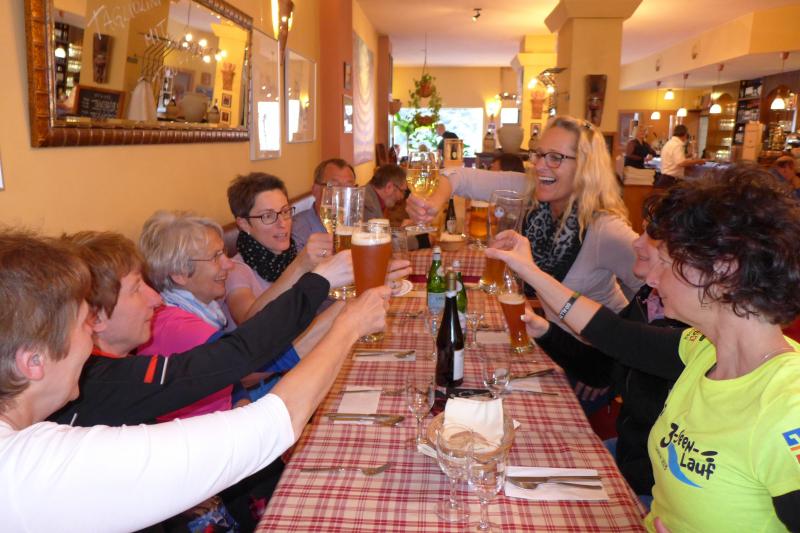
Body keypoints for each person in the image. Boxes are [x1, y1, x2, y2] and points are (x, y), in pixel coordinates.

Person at [0, 230, 390, 531]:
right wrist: (348, 325)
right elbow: (268, 424)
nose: (90, 338)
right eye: (82, 325)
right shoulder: (34, 471)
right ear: (33, 361)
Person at [487, 165, 800, 532]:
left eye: (666, 262)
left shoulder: (787, 408)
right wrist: (529, 270)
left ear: (723, 271)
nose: (651, 277)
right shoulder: (703, 351)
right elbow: (613, 334)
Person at [501, 228, 684, 507]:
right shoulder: (648, 299)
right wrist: (546, 331)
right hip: (625, 456)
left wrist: (529, 271)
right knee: (515, 463)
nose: (636, 241)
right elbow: (601, 370)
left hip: (655, 488)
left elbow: (613, 334)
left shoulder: (696, 335)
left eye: (652, 236)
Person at [225, 172, 333, 326]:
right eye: (268, 216)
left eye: (285, 211)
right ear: (244, 224)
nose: (282, 223)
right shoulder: (234, 270)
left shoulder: (290, 255)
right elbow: (249, 324)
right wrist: (299, 266)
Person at [292, 158, 357, 250]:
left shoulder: (353, 222)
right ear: (315, 190)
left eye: (349, 187)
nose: (343, 194)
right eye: (334, 186)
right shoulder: (298, 229)